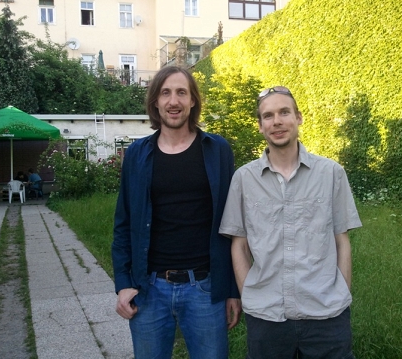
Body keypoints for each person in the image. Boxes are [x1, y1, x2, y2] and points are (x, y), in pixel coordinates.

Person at [219, 86, 363, 358]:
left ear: (298, 117)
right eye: (268, 116)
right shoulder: (244, 179)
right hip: (267, 315)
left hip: (326, 313)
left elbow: (341, 240)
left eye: (284, 112)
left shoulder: (331, 173)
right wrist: (249, 294)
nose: (277, 121)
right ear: (261, 126)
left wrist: (341, 290)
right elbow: (239, 245)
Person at [112, 65, 241, 359]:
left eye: (182, 92)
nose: (174, 101)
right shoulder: (137, 155)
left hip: (206, 289)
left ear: (192, 100)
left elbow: (234, 224)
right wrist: (123, 284)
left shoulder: (218, 150)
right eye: (165, 93)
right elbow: (124, 224)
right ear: (156, 102)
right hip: (149, 289)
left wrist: (232, 289)